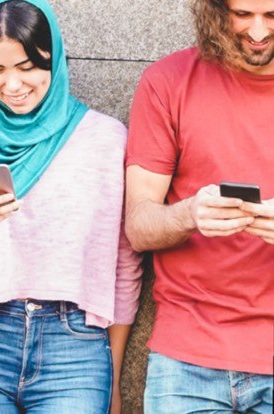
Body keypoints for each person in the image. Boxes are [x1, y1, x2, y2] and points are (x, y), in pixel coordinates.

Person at [0, 0, 142, 413]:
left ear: (54, 58)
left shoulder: (105, 139)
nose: (13, 85)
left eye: (28, 66)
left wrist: (115, 375)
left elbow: (123, 265)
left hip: (76, 347)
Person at [124, 0, 274, 412]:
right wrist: (188, 214)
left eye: (273, 16)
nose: (259, 32)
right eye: (243, 15)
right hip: (187, 359)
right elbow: (138, 226)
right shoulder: (167, 81)